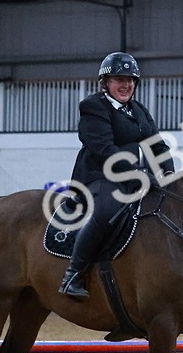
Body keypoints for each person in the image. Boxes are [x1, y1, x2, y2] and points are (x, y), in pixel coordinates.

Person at [58, 52, 174, 300]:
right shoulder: (93, 106)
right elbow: (105, 150)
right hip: (99, 177)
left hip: (132, 179)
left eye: (131, 79)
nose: (127, 84)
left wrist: (168, 174)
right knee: (108, 210)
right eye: (120, 79)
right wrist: (140, 174)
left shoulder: (138, 110)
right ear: (105, 82)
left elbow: (158, 147)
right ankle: (73, 274)